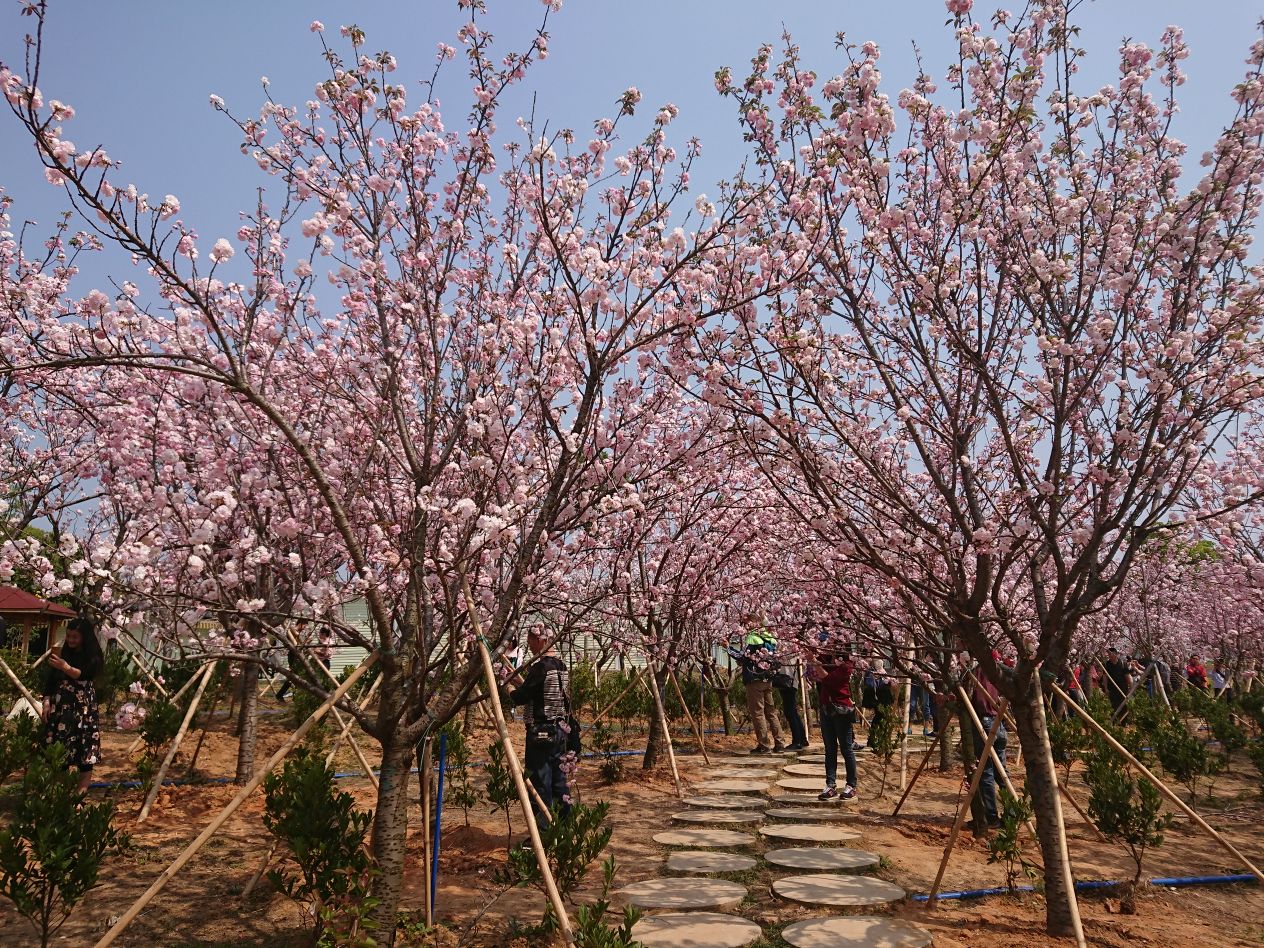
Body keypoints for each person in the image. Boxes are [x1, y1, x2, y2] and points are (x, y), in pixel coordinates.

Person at [508, 627, 573, 818]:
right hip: (559, 729)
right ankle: (564, 825)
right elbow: (539, 691)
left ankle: (543, 829)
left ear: (540, 640)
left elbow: (521, 697)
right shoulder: (561, 666)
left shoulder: (541, 667)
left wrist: (509, 688)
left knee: (540, 780)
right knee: (558, 780)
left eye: (530, 640)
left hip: (541, 731)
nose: (529, 645)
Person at [41, 615, 104, 791]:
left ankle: (79, 798)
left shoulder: (93, 655)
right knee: (60, 752)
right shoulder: (64, 654)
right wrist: (46, 701)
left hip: (83, 710)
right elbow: (51, 681)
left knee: (84, 754)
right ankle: (63, 794)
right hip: (62, 710)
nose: (70, 640)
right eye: (68, 636)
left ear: (84, 637)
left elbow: (84, 674)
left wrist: (65, 668)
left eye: (75, 637)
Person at [729, 616, 785, 754]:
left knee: (758, 713)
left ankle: (764, 745)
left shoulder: (753, 638)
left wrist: (728, 648)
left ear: (755, 623)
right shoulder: (770, 638)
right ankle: (780, 743)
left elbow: (742, 656)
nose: (746, 625)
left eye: (747, 622)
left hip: (754, 679)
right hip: (768, 678)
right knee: (771, 712)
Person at [810, 646, 858, 801]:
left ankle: (851, 785)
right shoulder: (825, 658)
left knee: (846, 748)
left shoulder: (847, 665)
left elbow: (828, 679)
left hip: (842, 709)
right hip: (826, 708)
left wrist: (813, 662)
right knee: (830, 748)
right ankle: (830, 785)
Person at [967, 666, 1007, 830]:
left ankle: (991, 818)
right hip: (998, 722)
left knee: (986, 774)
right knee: (1002, 773)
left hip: (984, 723)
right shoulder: (995, 670)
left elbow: (969, 697)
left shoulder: (973, 671)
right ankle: (1011, 813)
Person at [772, 654, 808, 751]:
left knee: (790, 712)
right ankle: (802, 739)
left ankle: (797, 741)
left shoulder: (789, 651)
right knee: (793, 712)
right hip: (792, 682)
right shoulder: (795, 652)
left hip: (787, 682)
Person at [1102, 646, 1131, 712]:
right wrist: (1106, 688)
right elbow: (1105, 677)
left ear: (1116, 654)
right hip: (1112, 689)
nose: (1109, 656)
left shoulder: (1123, 663)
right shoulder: (1106, 664)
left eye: (1111, 654)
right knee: (1114, 707)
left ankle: (1124, 721)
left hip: (1123, 688)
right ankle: (1115, 721)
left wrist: (1130, 687)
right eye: (1108, 654)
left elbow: (1127, 676)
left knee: (1124, 706)